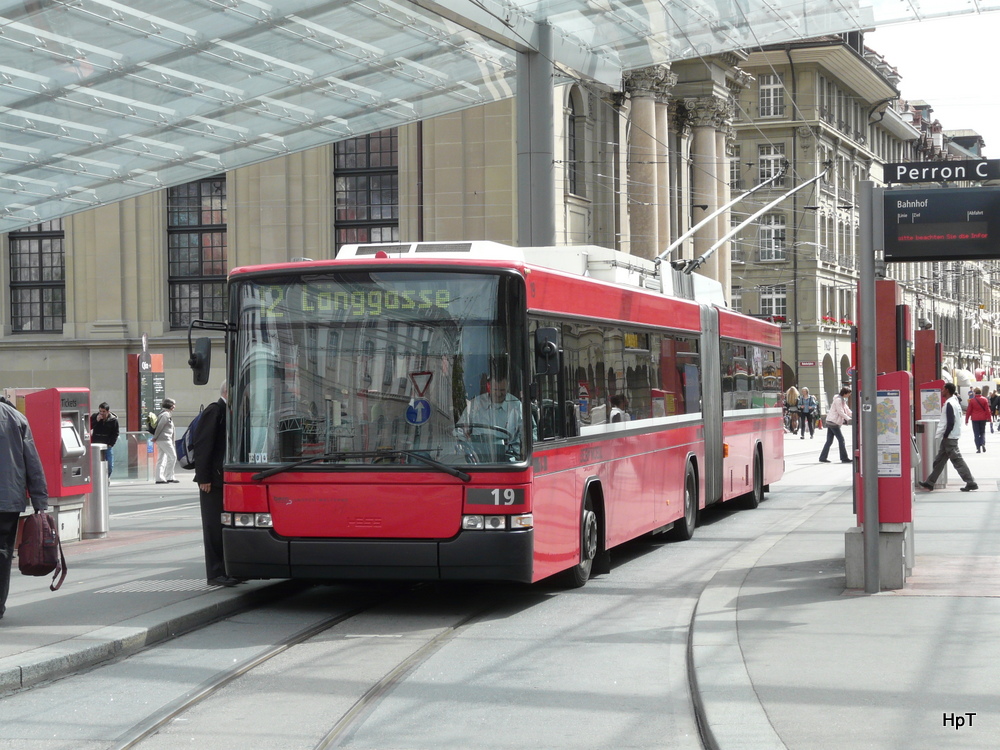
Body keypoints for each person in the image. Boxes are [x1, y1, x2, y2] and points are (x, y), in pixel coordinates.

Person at [0, 396, 49, 621]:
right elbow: (32, 462)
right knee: (3, 553)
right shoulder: (16, 418)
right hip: (8, 501)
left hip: (8, 499)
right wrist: (40, 502)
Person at [194, 383, 241, 587]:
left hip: (224, 479)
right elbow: (203, 445)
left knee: (223, 525)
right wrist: (203, 477)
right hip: (212, 480)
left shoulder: (228, 412)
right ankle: (215, 573)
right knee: (213, 526)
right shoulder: (215, 410)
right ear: (227, 392)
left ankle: (226, 570)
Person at [918, 382, 978, 492]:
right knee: (939, 460)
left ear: (947, 390)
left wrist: (945, 435)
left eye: (943, 389)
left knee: (957, 460)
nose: (941, 391)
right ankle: (930, 482)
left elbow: (950, 421)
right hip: (951, 436)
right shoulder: (954, 402)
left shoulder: (950, 403)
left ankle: (970, 482)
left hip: (949, 438)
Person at [457, 373, 523, 459]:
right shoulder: (475, 405)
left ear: (507, 387)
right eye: (495, 390)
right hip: (478, 458)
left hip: (509, 457)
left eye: (502, 390)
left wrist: (525, 451)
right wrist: (466, 446)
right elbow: (460, 430)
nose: (499, 394)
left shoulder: (516, 405)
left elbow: (529, 432)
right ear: (489, 387)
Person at [818, 387, 853, 464]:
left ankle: (823, 457)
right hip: (834, 422)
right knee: (841, 440)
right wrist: (848, 419)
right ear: (845, 393)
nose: (849, 395)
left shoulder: (842, 399)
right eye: (849, 394)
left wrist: (852, 414)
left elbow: (846, 409)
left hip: (831, 421)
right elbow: (840, 411)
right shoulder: (838, 400)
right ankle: (844, 458)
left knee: (829, 441)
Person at [90, 401, 120, 477]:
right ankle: (98, 479)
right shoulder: (94, 417)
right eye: (100, 411)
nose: (102, 413)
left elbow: (115, 433)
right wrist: (96, 420)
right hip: (96, 444)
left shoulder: (113, 420)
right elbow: (88, 427)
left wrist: (111, 444)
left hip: (107, 445)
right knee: (95, 464)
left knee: (109, 465)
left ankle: (107, 478)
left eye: (104, 411)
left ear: (108, 411)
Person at [152, 397, 179, 484]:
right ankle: (169, 476)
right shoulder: (166, 415)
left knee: (162, 458)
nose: (174, 406)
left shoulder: (163, 414)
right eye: (173, 405)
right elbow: (160, 426)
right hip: (164, 439)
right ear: (170, 405)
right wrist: (155, 437)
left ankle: (159, 477)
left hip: (162, 439)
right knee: (173, 456)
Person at [965, 387, 991, 453]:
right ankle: (982, 443)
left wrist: (966, 419)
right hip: (983, 418)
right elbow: (988, 410)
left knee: (976, 433)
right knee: (982, 432)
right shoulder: (985, 399)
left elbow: (969, 411)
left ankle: (978, 448)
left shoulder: (972, 400)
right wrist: (990, 419)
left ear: (975, 393)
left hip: (975, 418)